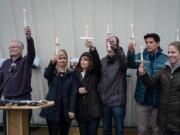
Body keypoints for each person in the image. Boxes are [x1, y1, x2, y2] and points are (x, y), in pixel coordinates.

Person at [127, 33, 168, 135]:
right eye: (146, 43)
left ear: (157, 43)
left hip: (158, 100)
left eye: (151, 42)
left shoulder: (165, 59)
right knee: (142, 130)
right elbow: (131, 63)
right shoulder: (141, 55)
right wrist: (131, 52)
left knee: (157, 130)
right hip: (142, 99)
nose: (148, 45)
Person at [138, 41, 180, 135]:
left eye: (173, 52)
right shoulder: (164, 70)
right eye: (169, 52)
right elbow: (149, 83)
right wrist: (143, 74)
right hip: (164, 121)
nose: (170, 55)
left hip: (177, 121)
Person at [0, 27, 36, 135]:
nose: (11, 49)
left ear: (21, 49)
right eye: (10, 47)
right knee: (8, 130)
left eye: (14, 47)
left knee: (23, 129)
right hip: (7, 101)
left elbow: (31, 52)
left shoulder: (26, 61)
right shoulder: (5, 63)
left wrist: (29, 38)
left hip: (23, 99)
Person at [39, 49, 77, 135]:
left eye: (64, 58)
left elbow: (73, 93)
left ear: (67, 59)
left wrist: (72, 110)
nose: (62, 60)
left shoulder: (72, 74)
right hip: (52, 109)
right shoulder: (52, 72)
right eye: (60, 58)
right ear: (57, 60)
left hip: (66, 111)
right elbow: (46, 75)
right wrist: (52, 63)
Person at [100, 35, 127, 135]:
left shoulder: (121, 60)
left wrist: (115, 48)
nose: (110, 43)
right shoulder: (102, 61)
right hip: (105, 102)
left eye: (113, 42)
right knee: (106, 130)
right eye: (108, 42)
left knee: (119, 130)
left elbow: (124, 61)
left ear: (117, 44)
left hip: (118, 103)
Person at [75, 40, 102, 135]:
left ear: (90, 62)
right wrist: (77, 90)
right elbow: (70, 89)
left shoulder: (94, 73)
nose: (83, 61)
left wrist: (92, 49)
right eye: (82, 59)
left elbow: (98, 63)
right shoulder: (75, 73)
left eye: (86, 60)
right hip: (80, 111)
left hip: (93, 110)